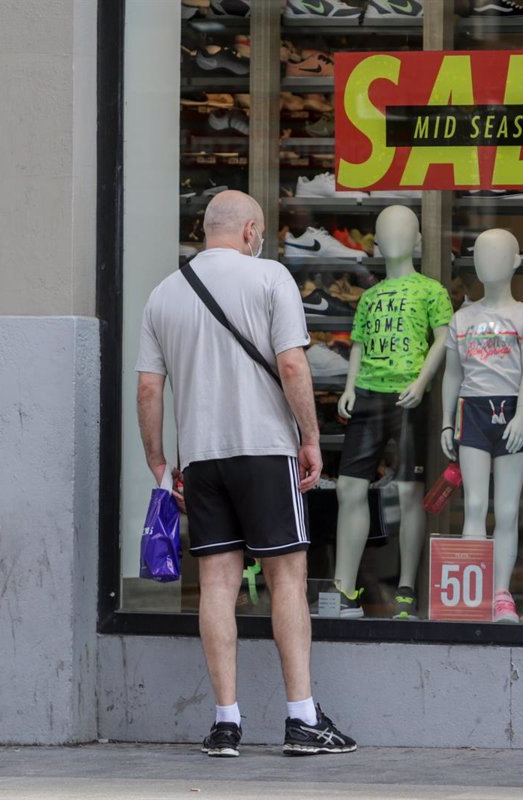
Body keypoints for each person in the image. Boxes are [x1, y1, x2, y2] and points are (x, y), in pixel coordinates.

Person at [136, 190, 357, 757]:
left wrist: (159, 459)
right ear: (252, 230)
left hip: (202, 458)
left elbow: (148, 387)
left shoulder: (164, 294)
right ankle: (302, 718)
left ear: (205, 229)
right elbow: (291, 363)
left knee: (216, 585)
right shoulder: (270, 278)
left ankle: (226, 722)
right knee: (287, 577)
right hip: (264, 449)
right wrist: (310, 437)